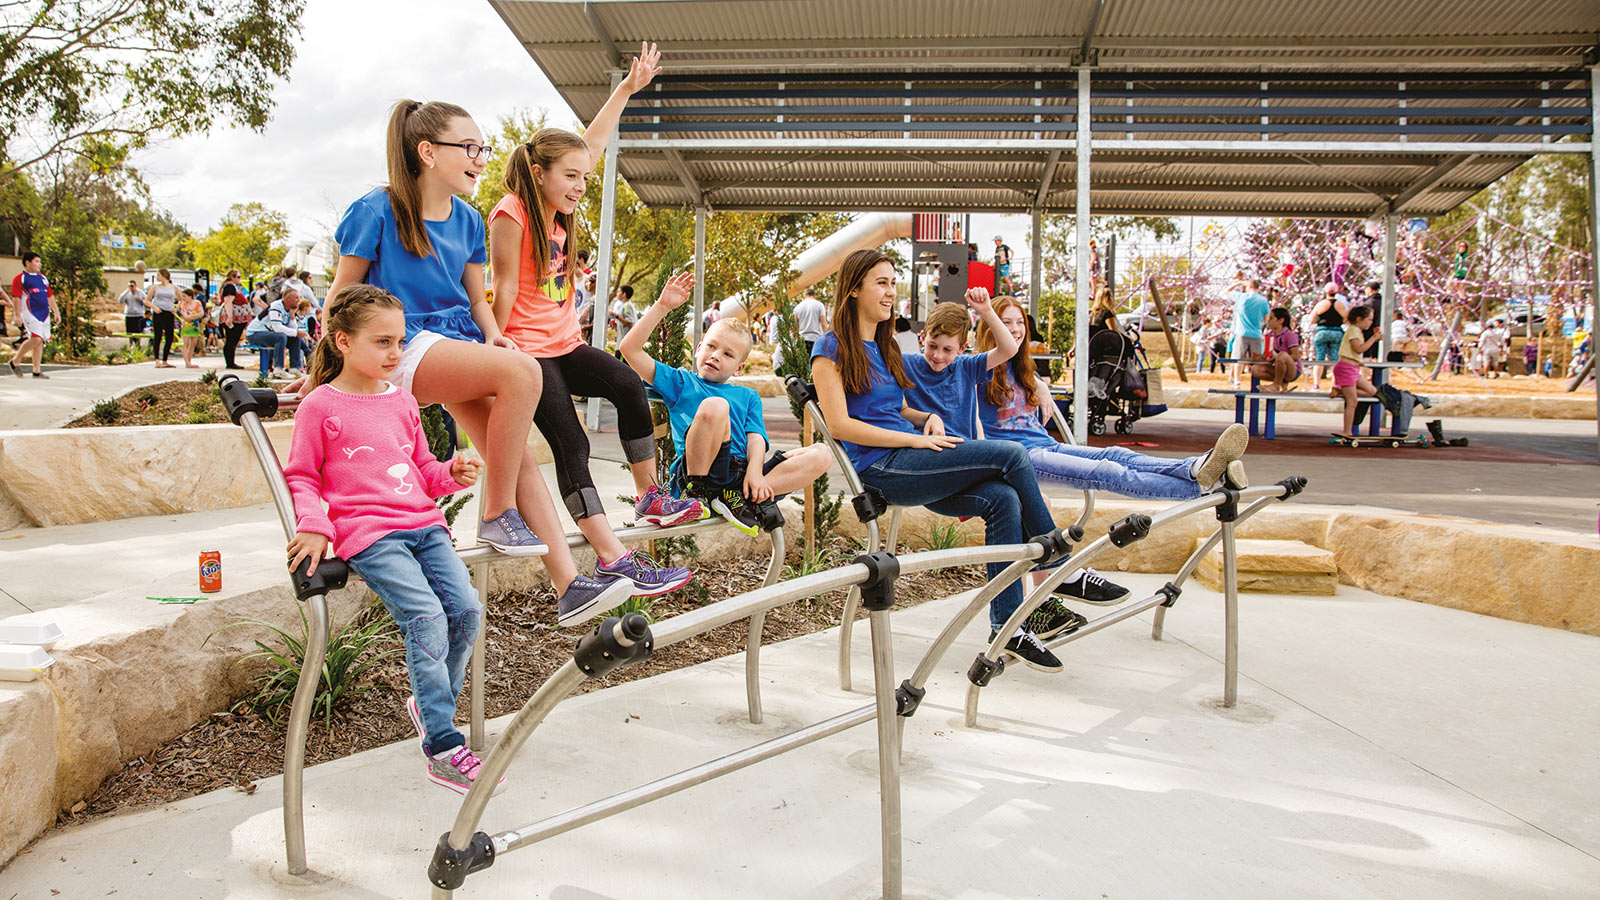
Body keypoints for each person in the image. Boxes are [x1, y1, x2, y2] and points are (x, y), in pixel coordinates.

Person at [283, 286, 602, 797]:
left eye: (399, 341)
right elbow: (301, 475)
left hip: (425, 526)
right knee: (426, 618)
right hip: (370, 533)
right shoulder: (319, 406)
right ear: (342, 341)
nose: (395, 353)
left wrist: (450, 473)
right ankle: (441, 744)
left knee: (467, 611)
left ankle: (430, 706)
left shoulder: (402, 400)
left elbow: (421, 470)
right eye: (382, 342)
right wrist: (313, 524)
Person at [813, 248, 1100, 674]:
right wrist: (913, 440)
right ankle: (1059, 565)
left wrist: (925, 418)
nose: (891, 292)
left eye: (893, 283)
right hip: (881, 469)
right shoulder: (831, 347)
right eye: (881, 283)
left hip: (909, 458)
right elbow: (840, 425)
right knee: (1012, 454)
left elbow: (895, 408)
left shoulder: (884, 346)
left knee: (1003, 499)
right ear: (854, 289)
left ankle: (1008, 627)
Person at [487, 43, 704, 600]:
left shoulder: (561, 207)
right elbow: (503, 286)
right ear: (538, 173)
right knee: (572, 444)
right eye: (571, 177)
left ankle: (651, 497)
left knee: (629, 387)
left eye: (584, 178)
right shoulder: (512, 210)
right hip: (528, 354)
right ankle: (613, 559)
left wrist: (627, 90)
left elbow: (594, 143)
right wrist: (494, 348)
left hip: (565, 344)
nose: (581, 185)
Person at [974, 295, 1249, 503]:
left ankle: (1194, 468)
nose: (1016, 329)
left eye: (1020, 322)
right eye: (1006, 323)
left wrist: (1041, 384)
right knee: (1107, 471)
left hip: (1046, 444)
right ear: (991, 327)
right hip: (1022, 457)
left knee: (1117, 454)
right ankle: (1196, 488)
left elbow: (1024, 372)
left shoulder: (1021, 367)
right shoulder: (978, 368)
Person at [621, 277, 831, 535]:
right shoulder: (680, 382)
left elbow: (756, 438)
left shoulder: (748, 395)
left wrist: (755, 473)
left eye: (728, 354)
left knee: (822, 453)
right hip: (700, 471)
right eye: (711, 346)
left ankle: (743, 498)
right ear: (698, 349)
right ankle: (696, 496)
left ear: (739, 368)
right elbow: (629, 349)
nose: (716, 355)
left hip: (740, 476)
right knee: (716, 406)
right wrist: (662, 306)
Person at [1332, 306, 1381, 436]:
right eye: (1369, 319)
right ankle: (1347, 432)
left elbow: (1353, 352)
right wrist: (1374, 338)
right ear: (1359, 319)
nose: (1370, 323)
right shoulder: (1353, 330)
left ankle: (1341, 390)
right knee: (1352, 402)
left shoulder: (1357, 331)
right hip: (1346, 369)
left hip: (1353, 369)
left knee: (1373, 392)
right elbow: (1359, 349)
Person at [8, 252, 58, 379]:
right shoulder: (20, 279)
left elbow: (50, 296)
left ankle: (36, 370)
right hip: (30, 313)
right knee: (36, 339)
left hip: (44, 314)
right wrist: (17, 315)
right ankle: (15, 361)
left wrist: (56, 311)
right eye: (36, 261)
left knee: (40, 341)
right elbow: (16, 298)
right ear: (27, 263)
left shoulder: (42, 278)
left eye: (40, 262)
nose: (39, 264)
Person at [246, 290, 313, 377]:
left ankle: (295, 368)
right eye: (296, 298)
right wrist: (296, 332)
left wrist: (292, 317)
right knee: (281, 336)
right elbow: (277, 328)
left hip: (270, 334)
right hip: (255, 333)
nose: (299, 300)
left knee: (295, 338)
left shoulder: (289, 310)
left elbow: (292, 329)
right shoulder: (276, 306)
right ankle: (278, 369)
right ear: (288, 299)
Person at [1229, 277, 1271, 387]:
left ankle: (1237, 381)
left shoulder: (1241, 297)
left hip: (1241, 333)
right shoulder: (1263, 301)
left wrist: (1238, 283)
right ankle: (1256, 383)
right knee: (1256, 361)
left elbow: (1227, 291)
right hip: (1256, 334)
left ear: (1249, 286)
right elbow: (1267, 318)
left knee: (1239, 358)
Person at [1249, 307, 1303, 392]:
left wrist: (1278, 357)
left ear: (1281, 320)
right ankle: (1282, 383)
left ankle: (1276, 385)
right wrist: (1261, 357)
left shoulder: (1289, 335)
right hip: (1278, 366)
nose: (1268, 321)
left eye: (1271, 318)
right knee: (1255, 369)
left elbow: (1295, 356)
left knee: (1282, 355)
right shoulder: (1269, 334)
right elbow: (1270, 355)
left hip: (1293, 370)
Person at [1307, 283, 1346, 392]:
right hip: (1337, 332)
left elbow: (1311, 319)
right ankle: (1334, 385)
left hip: (1322, 331)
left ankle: (1316, 384)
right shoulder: (1340, 305)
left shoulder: (1321, 304)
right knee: (1335, 359)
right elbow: (1346, 319)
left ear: (1325, 292)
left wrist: (1320, 319)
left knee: (1319, 358)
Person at [217, 270, 255, 369]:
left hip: (238, 318)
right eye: (238, 277)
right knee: (231, 340)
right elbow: (228, 302)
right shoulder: (229, 287)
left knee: (233, 340)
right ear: (232, 277)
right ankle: (230, 363)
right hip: (235, 318)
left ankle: (231, 362)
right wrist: (230, 317)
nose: (240, 279)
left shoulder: (231, 287)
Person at [147, 268, 179, 368]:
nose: (157, 277)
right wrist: (154, 307)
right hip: (159, 312)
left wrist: (176, 308)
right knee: (158, 335)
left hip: (169, 312)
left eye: (158, 275)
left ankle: (165, 360)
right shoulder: (155, 287)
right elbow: (146, 300)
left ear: (164, 275)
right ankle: (157, 360)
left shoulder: (173, 287)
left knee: (169, 336)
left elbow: (181, 299)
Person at [174, 287, 206, 368]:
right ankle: (187, 362)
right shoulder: (183, 305)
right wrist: (195, 316)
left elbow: (202, 313)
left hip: (195, 326)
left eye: (184, 296)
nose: (183, 298)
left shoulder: (197, 303)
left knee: (193, 343)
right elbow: (185, 317)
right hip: (186, 326)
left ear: (190, 296)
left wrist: (192, 316)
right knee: (186, 343)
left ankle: (189, 360)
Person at [793, 286, 827, 358]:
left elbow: (795, 326)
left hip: (802, 339)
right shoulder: (820, 305)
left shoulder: (797, 307)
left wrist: (796, 341)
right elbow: (824, 324)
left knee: (803, 362)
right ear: (814, 296)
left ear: (804, 296)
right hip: (815, 339)